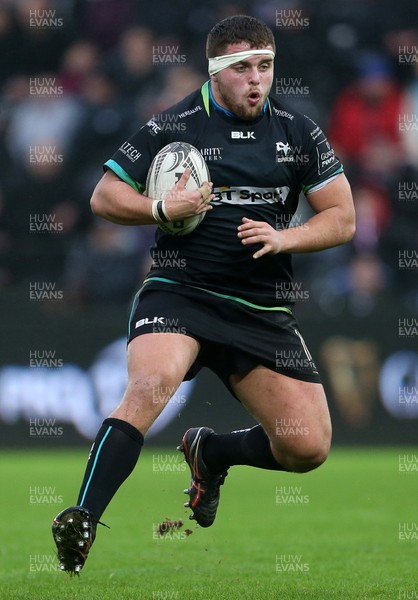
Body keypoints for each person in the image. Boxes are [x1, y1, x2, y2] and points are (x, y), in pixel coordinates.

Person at [52, 15, 355, 574]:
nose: (256, 79)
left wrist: (287, 235)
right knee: (149, 387)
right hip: (181, 294)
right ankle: (83, 519)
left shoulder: (298, 132)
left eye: (265, 66)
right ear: (215, 72)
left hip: (261, 307)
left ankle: (211, 451)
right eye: (242, 68)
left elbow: (343, 217)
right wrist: (161, 209)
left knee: (307, 447)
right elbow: (104, 195)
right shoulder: (176, 123)